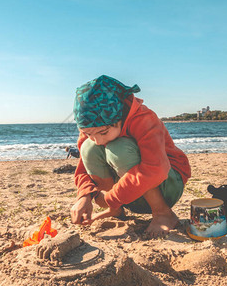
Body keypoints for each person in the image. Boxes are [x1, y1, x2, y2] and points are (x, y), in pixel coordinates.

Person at [70, 75, 191, 238]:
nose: (97, 140)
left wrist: (110, 198)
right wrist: (84, 196)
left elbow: (156, 169)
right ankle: (115, 211)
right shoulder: (92, 125)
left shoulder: (144, 119)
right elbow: (83, 168)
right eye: (88, 133)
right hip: (129, 195)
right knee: (88, 148)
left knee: (118, 147)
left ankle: (163, 213)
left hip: (168, 184)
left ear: (119, 117)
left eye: (103, 132)